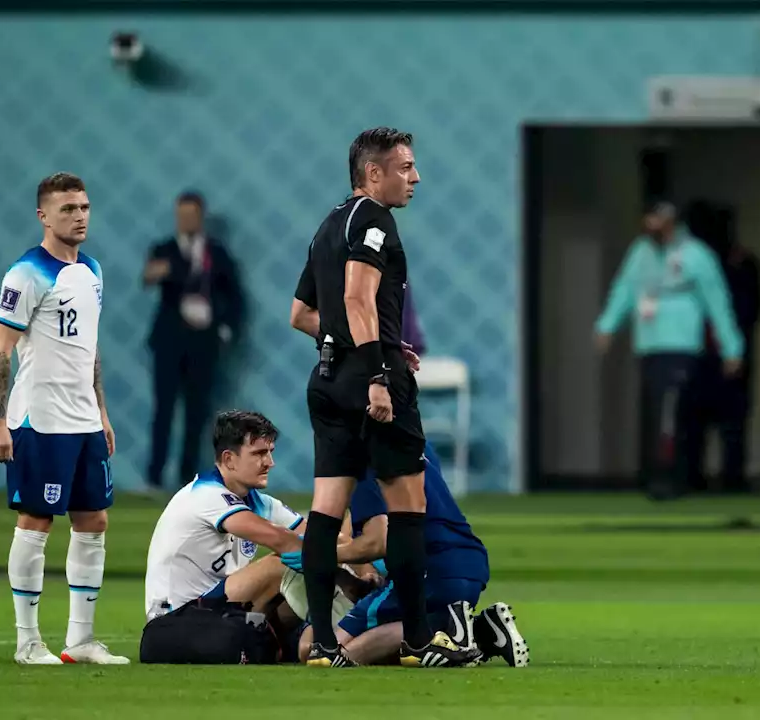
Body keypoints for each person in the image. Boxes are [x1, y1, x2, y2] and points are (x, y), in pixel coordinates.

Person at [290, 126, 480, 669]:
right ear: (373, 174)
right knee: (409, 508)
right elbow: (356, 295)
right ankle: (421, 641)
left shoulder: (328, 225)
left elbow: (302, 315)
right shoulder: (375, 220)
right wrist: (378, 369)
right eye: (405, 168)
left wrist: (363, 349)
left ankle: (324, 643)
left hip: (327, 381)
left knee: (327, 512)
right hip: (375, 385)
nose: (415, 178)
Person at [0, 173, 127, 665]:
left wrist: (103, 413)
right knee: (37, 520)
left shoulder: (92, 270)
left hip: (85, 422)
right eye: (68, 209)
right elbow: (1, 349)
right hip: (40, 420)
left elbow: (89, 349)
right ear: (43, 216)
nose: (80, 216)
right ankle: (28, 641)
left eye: (85, 207)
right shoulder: (26, 274)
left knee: (94, 520)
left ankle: (80, 641)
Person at [296, 442, 529, 667]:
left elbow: (376, 543)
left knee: (329, 653)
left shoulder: (365, 459)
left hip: (431, 569)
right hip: (470, 565)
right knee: (409, 630)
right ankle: (475, 629)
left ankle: (460, 632)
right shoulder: (417, 447)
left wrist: (320, 554)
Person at [594, 201, 745, 499]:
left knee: (672, 410)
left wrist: (732, 347)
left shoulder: (696, 255)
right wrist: (607, 325)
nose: (652, 226)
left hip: (682, 344)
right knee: (655, 411)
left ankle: (674, 476)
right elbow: (625, 288)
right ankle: (657, 474)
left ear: (671, 222)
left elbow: (717, 301)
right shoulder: (641, 252)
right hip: (649, 343)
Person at [140, 410, 309, 663]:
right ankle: (343, 632)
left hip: (220, 608)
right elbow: (283, 541)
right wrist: (346, 562)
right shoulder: (206, 495)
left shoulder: (260, 502)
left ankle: (342, 631)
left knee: (305, 572)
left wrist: (354, 549)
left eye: (270, 452)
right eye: (259, 454)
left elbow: (316, 533)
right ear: (229, 459)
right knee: (281, 564)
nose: (270, 462)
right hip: (179, 617)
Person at [143, 191, 245, 489]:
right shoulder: (164, 248)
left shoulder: (216, 252)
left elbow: (235, 295)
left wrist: (226, 330)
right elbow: (148, 277)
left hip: (204, 343)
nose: (186, 220)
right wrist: (166, 269)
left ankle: (185, 478)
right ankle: (154, 478)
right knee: (163, 410)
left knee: (196, 413)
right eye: (181, 215)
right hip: (170, 341)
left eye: (191, 215)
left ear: (200, 216)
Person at [687, 200, 760, 494]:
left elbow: (753, 308)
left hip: (728, 350)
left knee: (731, 420)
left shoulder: (741, 262)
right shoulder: (693, 263)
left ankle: (730, 477)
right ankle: (694, 476)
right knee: (695, 419)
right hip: (699, 349)